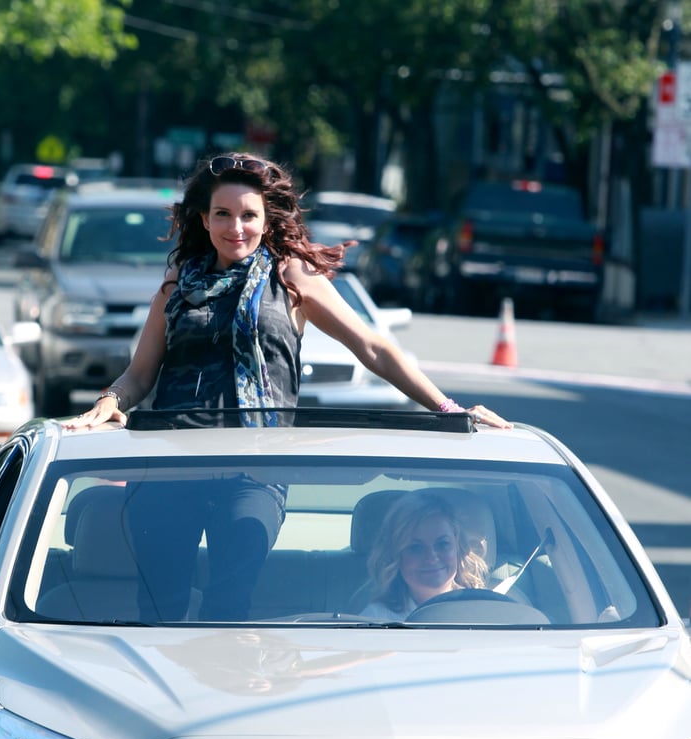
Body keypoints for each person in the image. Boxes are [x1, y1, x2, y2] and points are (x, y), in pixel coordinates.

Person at [67, 152, 509, 621]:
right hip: (172, 465)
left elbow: (372, 347)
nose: (235, 227)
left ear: (266, 219)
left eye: (248, 215)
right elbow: (139, 374)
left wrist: (447, 407)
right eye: (223, 214)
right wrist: (108, 402)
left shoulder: (291, 276)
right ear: (204, 218)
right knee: (160, 607)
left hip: (253, 469)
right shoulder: (177, 282)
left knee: (229, 606)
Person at [361, 493, 489, 619]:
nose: (432, 558)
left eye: (442, 544)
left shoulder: (487, 610)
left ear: (458, 549)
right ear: (395, 557)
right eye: (416, 548)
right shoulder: (376, 620)